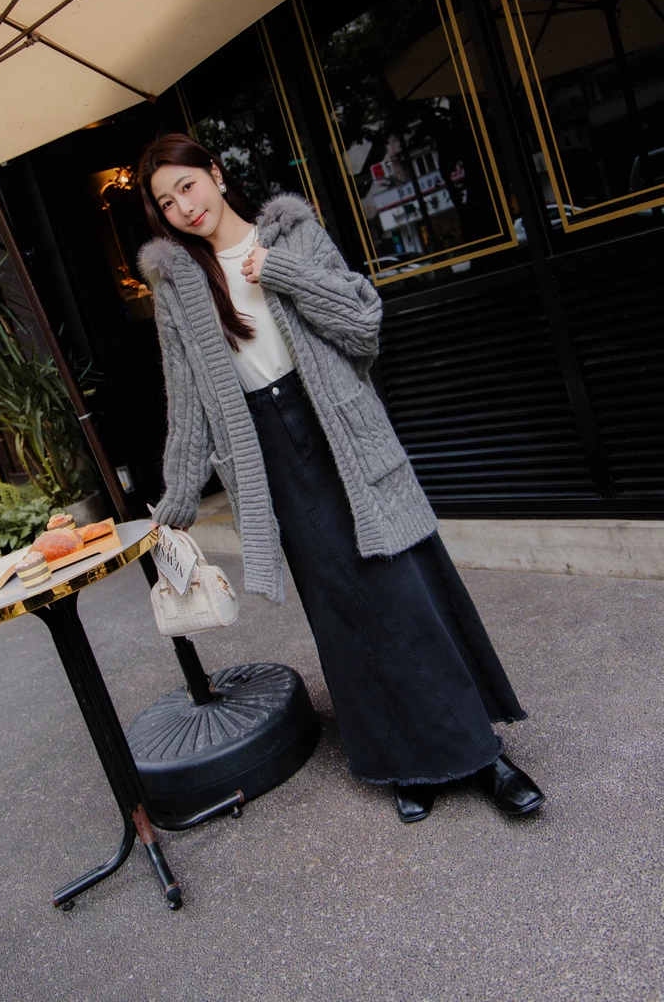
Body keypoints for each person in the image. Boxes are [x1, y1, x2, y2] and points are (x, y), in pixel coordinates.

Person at [137, 133, 545, 824]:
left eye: (187, 185)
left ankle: (484, 756)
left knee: (406, 592)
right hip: (271, 456)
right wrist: (174, 503)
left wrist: (281, 273)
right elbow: (188, 401)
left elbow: (362, 325)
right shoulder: (178, 286)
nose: (183, 206)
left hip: (342, 432)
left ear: (215, 173)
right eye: (166, 202)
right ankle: (404, 762)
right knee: (343, 614)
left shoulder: (291, 235)